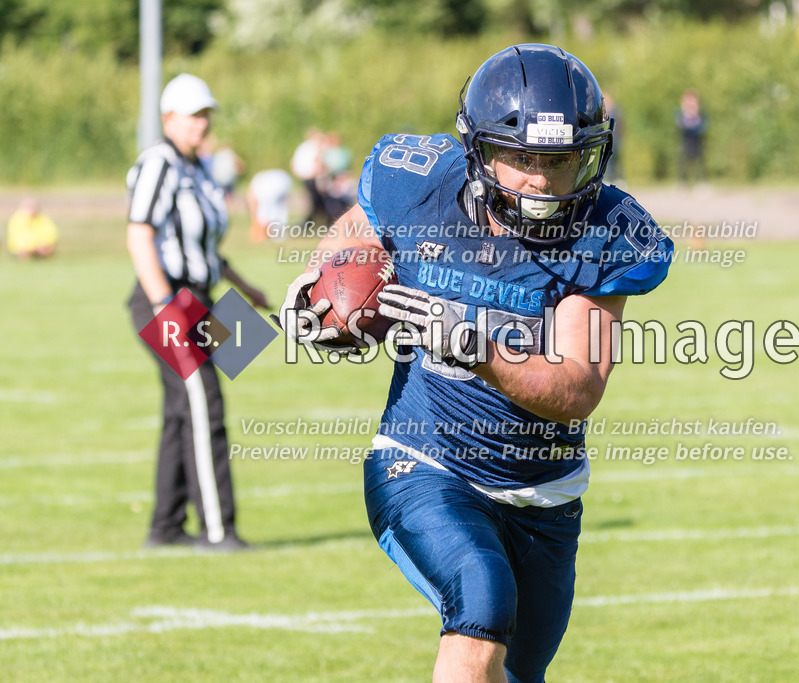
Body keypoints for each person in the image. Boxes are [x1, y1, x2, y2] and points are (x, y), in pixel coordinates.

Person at [275, 44, 673, 681]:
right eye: (522, 158)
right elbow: (348, 250)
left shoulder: (605, 231)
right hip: (425, 460)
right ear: (479, 151)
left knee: (518, 671)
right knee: (481, 600)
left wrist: (476, 347)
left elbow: (575, 387)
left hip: (544, 492)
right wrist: (314, 297)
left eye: (561, 160)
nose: (542, 180)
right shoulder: (419, 181)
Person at [126, 73, 267, 550]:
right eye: (193, 115)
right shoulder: (158, 163)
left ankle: (165, 528)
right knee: (204, 403)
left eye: (207, 114)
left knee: (181, 409)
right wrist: (163, 303)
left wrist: (245, 287)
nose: (203, 123)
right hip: (166, 298)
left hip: (203, 297)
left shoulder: (202, 168)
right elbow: (140, 234)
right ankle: (217, 529)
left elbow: (204, 245)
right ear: (168, 119)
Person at [246, 168, 293, 242]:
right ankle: (278, 234)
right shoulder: (257, 182)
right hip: (286, 179)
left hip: (275, 184)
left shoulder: (256, 189)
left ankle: (264, 234)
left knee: (266, 211)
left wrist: (255, 221)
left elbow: (254, 205)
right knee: (280, 208)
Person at [675, 88, 708, 186]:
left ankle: (701, 181)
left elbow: (702, 127)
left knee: (701, 161)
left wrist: (695, 115)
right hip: (685, 141)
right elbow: (681, 126)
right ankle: (682, 182)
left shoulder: (701, 114)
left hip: (697, 141)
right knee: (682, 161)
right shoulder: (680, 114)